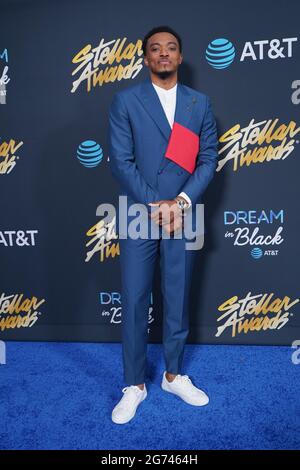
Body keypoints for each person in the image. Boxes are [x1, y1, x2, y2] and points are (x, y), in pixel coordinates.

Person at [108, 25, 218, 424]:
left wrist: (182, 201)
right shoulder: (125, 101)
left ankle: (174, 374)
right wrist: (157, 203)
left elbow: (208, 160)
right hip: (141, 211)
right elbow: (121, 161)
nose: (164, 54)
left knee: (177, 295)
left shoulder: (199, 104)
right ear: (146, 58)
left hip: (184, 212)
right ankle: (134, 384)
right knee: (135, 298)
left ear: (180, 56)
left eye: (171, 47)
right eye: (155, 49)